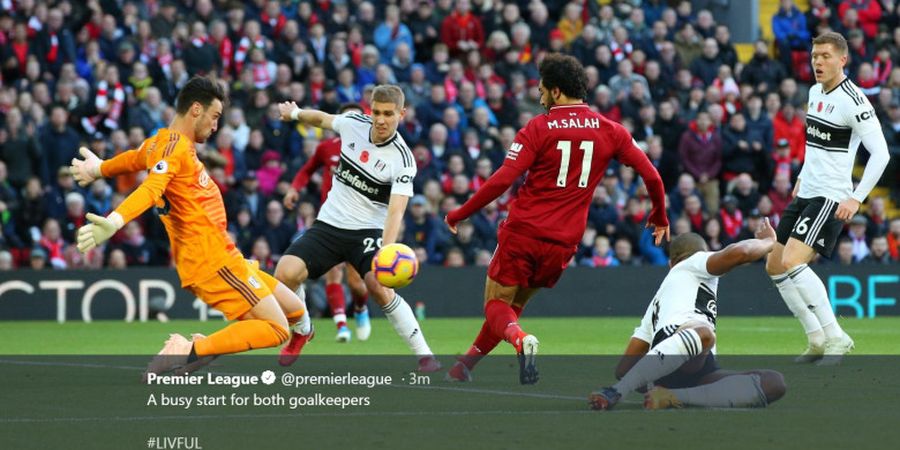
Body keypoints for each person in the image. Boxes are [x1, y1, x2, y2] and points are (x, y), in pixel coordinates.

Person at [444, 54, 669, 385]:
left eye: (542, 90)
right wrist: (659, 214)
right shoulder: (612, 131)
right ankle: (464, 366)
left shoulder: (538, 127)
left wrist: (459, 213)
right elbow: (653, 177)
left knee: (496, 305)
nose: (539, 97)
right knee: (513, 305)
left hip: (524, 232)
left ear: (557, 92)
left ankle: (520, 341)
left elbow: (504, 179)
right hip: (564, 243)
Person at [70, 76, 312, 378]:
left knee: (294, 309)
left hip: (222, 254)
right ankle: (188, 353)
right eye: (214, 117)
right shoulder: (174, 148)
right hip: (212, 260)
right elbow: (151, 188)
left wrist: (98, 168)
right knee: (276, 329)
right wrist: (115, 221)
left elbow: (133, 159)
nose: (215, 126)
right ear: (196, 110)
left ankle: (197, 356)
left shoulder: (160, 143)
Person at [275, 85, 440, 372]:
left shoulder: (402, 159)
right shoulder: (353, 124)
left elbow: (396, 208)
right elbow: (323, 119)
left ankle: (424, 354)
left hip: (366, 233)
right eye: (376, 112)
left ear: (401, 114)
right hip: (329, 225)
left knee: (379, 288)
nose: (380, 120)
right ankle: (303, 330)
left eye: (388, 114)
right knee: (284, 275)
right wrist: (296, 113)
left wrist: (385, 251)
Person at [765, 32, 890, 365]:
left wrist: (857, 198)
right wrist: (802, 176)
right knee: (774, 265)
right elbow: (814, 143)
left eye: (824, 56)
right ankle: (816, 338)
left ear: (842, 60)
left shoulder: (855, 100)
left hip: (831, 195)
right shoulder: (814, 91)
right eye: (814, 55)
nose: (817, 62)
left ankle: (837, 336)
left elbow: (881, 154)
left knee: (792, 260)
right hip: (807, 190)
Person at [589, 224, 786, 410]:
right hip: (693, 347)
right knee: (704, 334)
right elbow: (741, 252)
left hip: (686, 367)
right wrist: (769, 241)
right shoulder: (692, 262)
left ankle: (673, 396)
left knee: (773, 382)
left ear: (669, 263)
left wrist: (652, 379)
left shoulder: (656, 303)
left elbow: (623, 369)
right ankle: (616, 392)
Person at [283, 102, 371, 344]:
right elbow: (306, 170)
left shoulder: (371, 150)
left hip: (359, 222)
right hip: (330, 220)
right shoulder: (326, 148)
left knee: (357, 284)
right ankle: (341, 325)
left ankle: (361, 308)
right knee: (333, 274)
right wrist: (294, 189)